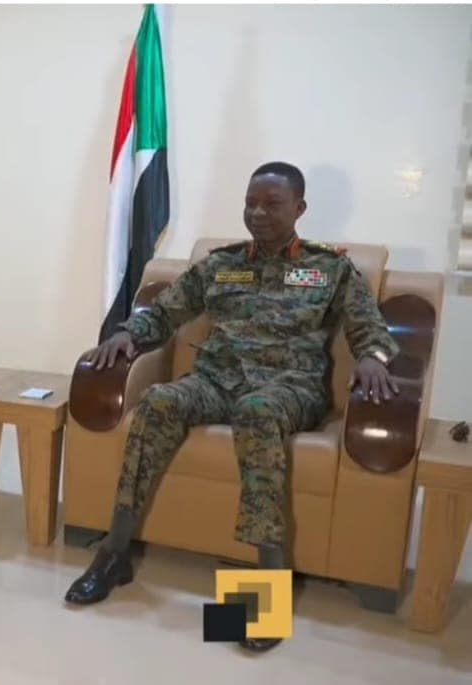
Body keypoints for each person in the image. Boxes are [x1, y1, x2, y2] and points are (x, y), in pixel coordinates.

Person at [63, 162, 399, 652]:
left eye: (272, 204)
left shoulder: (330, 268)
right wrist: (128, 335)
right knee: (159, 402)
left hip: (289, 388)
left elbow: (369, 327)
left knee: (257, 412)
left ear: (300, 208)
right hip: (217, 381)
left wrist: (371, 357)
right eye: (250, 203)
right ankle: (114, 555)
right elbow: (165, 312)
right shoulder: (222, 264)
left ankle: (265, 591)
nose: (258, 213)